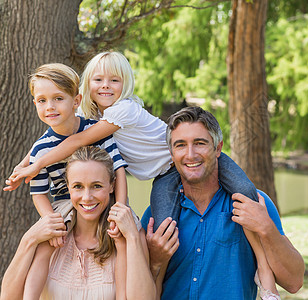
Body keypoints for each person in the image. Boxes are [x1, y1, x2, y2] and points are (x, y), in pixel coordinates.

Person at [6, 52, 281, 296]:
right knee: (162, 231)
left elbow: (75, 142)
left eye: (114, 80)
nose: (105, 86)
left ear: (125, 83)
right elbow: (51, 138)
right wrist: (25, 164)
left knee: (246, 198)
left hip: (182, 160)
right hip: (166, 177)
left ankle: (265, 274)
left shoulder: (123, 110)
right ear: (86, 85)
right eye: (98, 80)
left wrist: (35, 166)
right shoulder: (86, 115)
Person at [142, 107, 305, 300]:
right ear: (171, 153)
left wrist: (266, 228)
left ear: (218, 148)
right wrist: (155, 262)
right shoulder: (155, 217)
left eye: (200, 143)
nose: (190, 154)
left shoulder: (254, 206)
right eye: (180, 145)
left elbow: (294, 282)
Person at [3, 63, 130, 298]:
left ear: (76, 100)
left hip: (103, 197)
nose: (50, 107)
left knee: (125, 239)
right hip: (63, 202)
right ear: (35, 104)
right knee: (46, 242)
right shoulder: (40, 149)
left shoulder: (95, 130)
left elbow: (119, 170)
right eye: (42, 100)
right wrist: (49, 220)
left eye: (58, 98)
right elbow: (39, 192)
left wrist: (120, 207)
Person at [0, 146, 155, 300]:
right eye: (78, 186)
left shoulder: (128, 233)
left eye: (97, 186)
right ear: (68, 187)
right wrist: (29, 239)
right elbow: (8, 297)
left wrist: (133, 238)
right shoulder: (54, 227)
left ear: (112, 186)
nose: (87, 197)